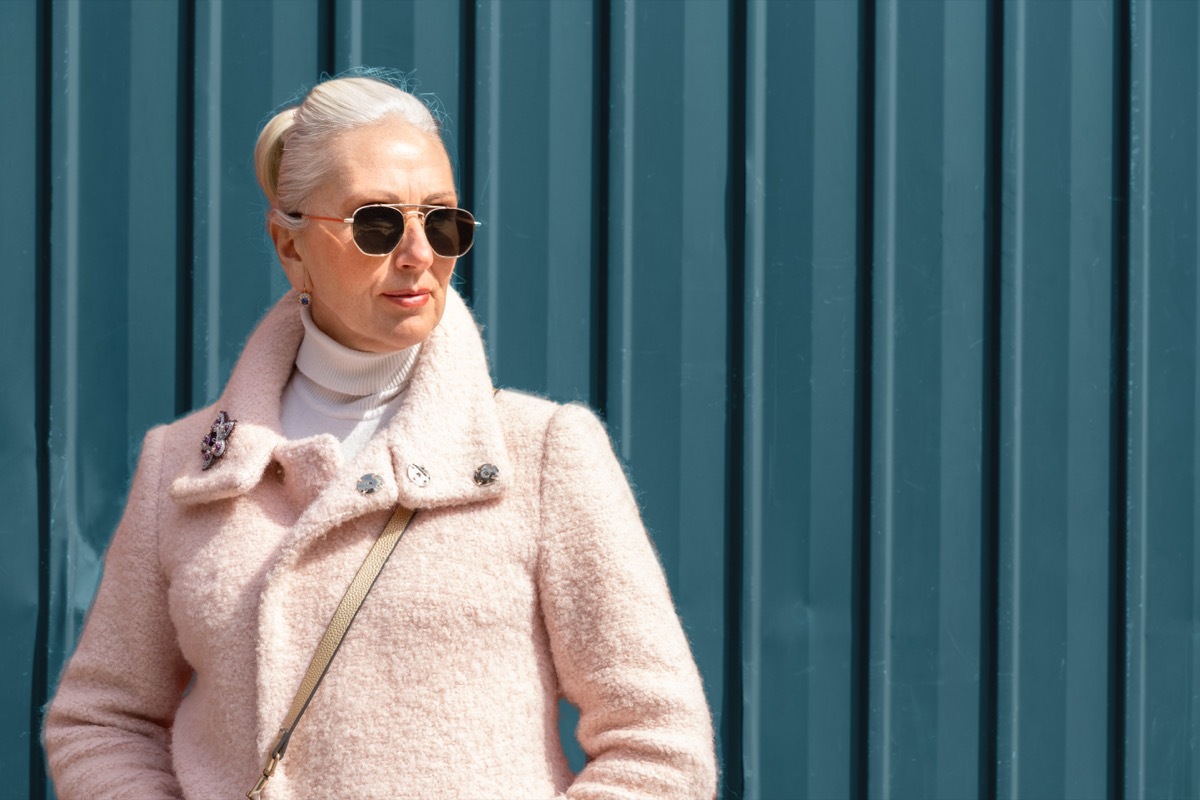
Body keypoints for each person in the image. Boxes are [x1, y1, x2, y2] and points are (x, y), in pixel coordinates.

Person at [42, 73, 717, 799]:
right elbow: (100, 721)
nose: (420, 252)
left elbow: (659, 745)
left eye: (443, 220)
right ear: (289, 244)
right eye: (377, 222)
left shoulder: (543, 454)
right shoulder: (182, 468)